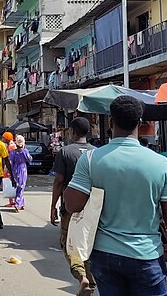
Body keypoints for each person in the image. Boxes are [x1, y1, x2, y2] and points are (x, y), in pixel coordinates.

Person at [65, 96, 167, 295]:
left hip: (105, 255)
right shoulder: (162, 164)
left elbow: (72, 205)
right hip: (147, 256)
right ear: (140, 124)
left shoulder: (90, 160)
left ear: (111, 122)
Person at [50, 117, 96, 296]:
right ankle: (90, 283)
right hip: (92, 208)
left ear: (73, 132)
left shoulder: (65, 152)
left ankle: (81, 276)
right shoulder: (96, 152)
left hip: (70, 207)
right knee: (88, 244)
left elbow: (58, 181)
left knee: (69, 243)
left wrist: (53, 205)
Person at [8, 135, 32, 211]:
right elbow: (29, 160)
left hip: (15, 171)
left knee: (18, 187)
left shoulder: (13, 152)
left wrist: (9, 172)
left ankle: (21, 203)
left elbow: (10, 163)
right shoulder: (25, 151)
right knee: (21, 187)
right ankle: (18, 203)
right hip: (22, 170)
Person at [1, 131, 16, 207]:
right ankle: (11, 201)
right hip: (9, 166)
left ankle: (13, 201)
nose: (2, 139)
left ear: (7, 138)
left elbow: (11, 158)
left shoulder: (11, 146)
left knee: (11, 182)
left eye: (4, 137)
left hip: (11, 167)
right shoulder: (9, 145)